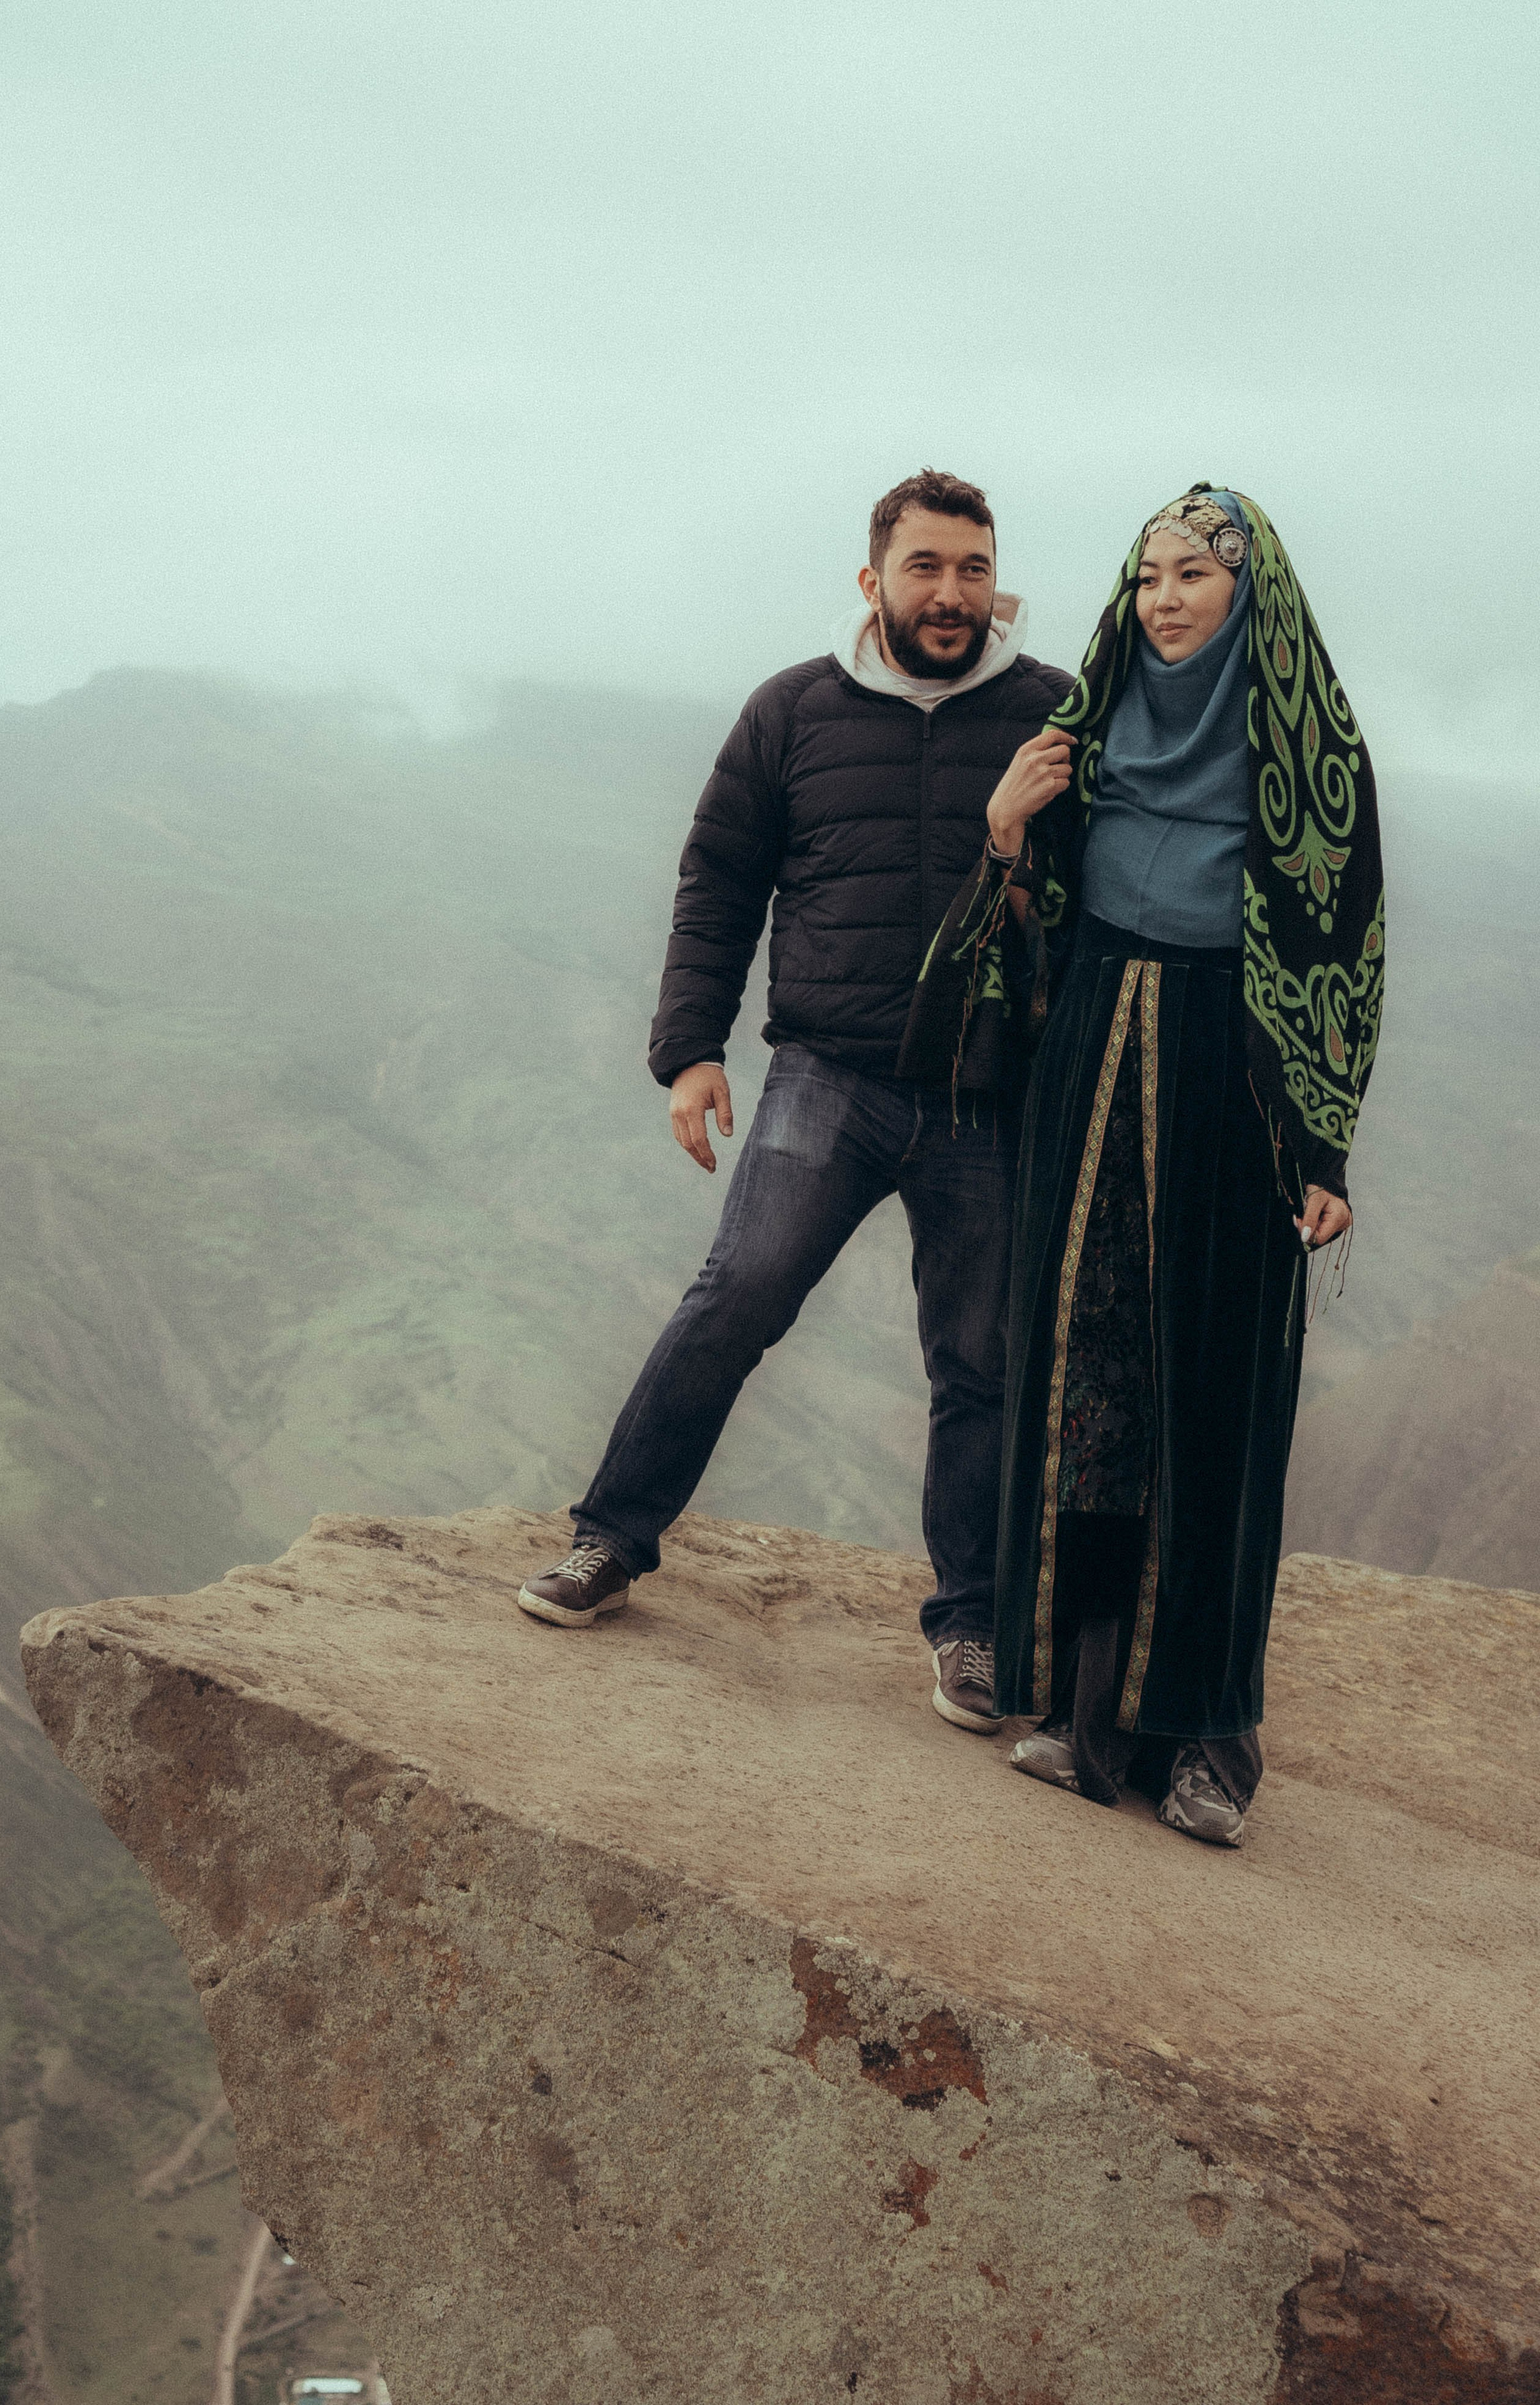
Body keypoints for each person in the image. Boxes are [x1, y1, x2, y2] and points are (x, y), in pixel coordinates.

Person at [515, 469, 1072, 1728]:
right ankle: (609, 1540)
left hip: (987, 1100)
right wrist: (689, 1051)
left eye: (971, 571)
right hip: (830, 1071)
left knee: (978, 1364)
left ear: (998, 584)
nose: (949, 594)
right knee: (735, 1299)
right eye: (924, 567)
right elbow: (717, 878)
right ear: (870, 579)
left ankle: (970, 1626)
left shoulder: (1049, 717)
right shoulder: (793, 711)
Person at [902, 484, 1384, 1844]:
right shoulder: (1089, 729)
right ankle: (1074, 1707)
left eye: (1192, 574)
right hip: (1087, 1071)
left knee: (1211, 1398)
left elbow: (1339, 961)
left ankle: (1201, 1741)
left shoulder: (1307, 748)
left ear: (1250, 592)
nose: (1163, 599)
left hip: (1227, 1082)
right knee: (1083, 1381)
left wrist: (1319, 1140)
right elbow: (1027, 927)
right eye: (1145, 576)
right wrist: (1005, 826)